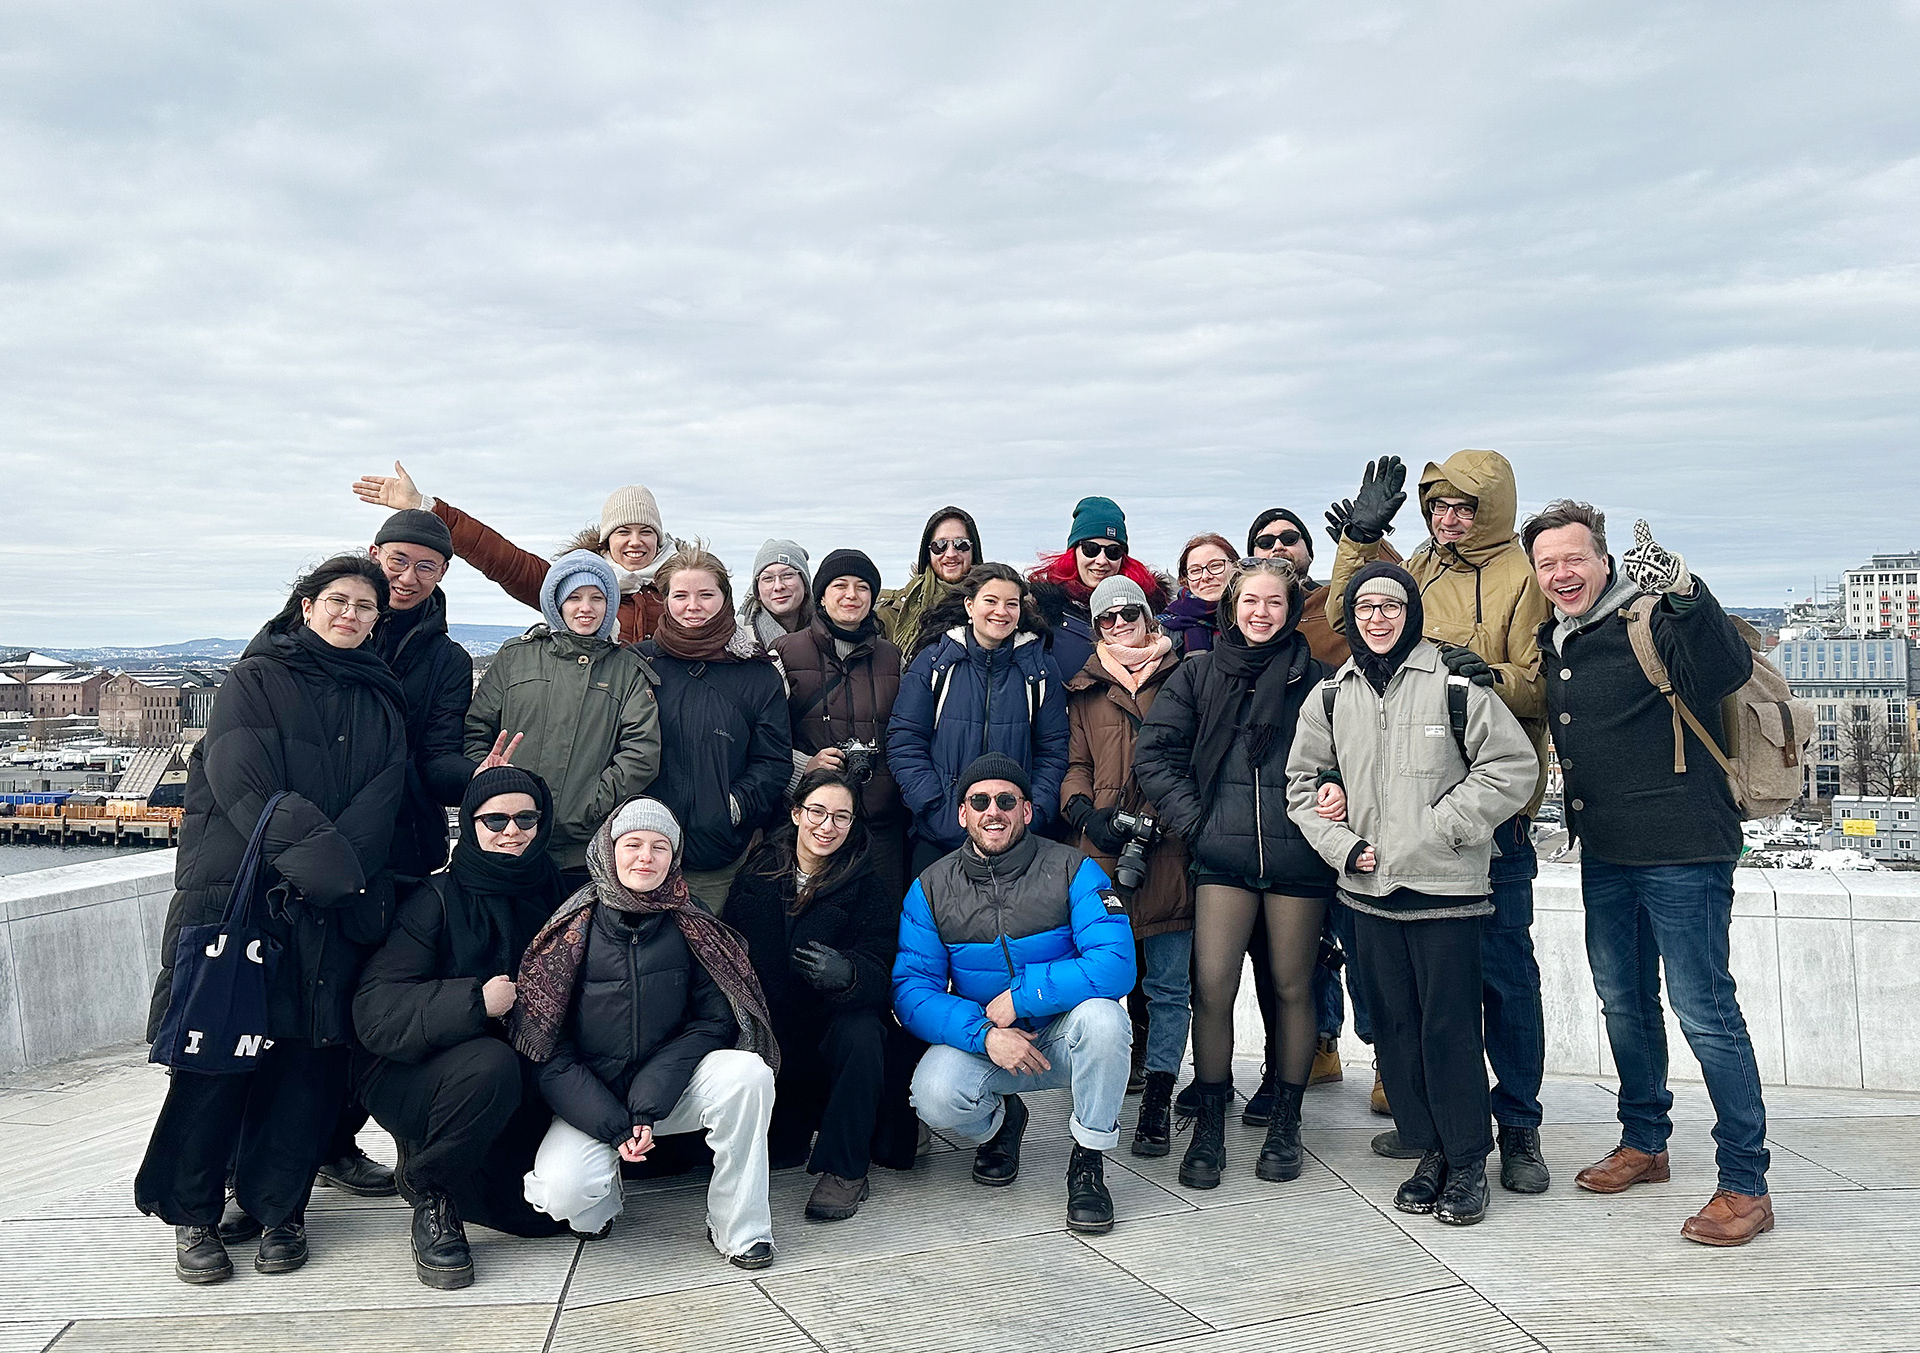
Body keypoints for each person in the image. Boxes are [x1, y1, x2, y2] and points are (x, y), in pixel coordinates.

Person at [136, 555, 407, 1285]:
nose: (350, 614)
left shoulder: (381, 702)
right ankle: (195, 1213)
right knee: (215, 1062)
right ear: (306, 605)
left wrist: (335, 878)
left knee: (303, 1066)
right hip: (241, 898)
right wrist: (329, 874)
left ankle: (278, 1208)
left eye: (365, 606)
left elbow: (381, 803)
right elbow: (244, 781)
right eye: (337, 600)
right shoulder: (252, 679)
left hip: (323, 912)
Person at [1525, 503, 1775, 1246]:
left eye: (1574, 558)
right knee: (1624, 1002)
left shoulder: (1650, 618)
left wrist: (1687, 592)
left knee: (1705, 1011)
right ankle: (1645, 1140)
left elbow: (1723, 665)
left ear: (1603, 560)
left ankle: (1746, 1183)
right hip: (1605, 850)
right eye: (1547, 564)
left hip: (1684, 846)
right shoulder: (1559, 637)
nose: (1561, 574)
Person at [1325, 453, 1552, 1192]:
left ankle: (1517, 1125)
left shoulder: (1523, 575)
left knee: (1503, 977)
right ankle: (1436, 1130)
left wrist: (1493, 675)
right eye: (1438, 506)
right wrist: (1359, 542)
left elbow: (1543, 680)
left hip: (1490, 821)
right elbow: (1351, 619)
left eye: (1463, 508)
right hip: (1401, 824)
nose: (1448, 520)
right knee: (1418, 993)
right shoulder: (1418, 562)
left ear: (1491, 510)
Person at [1287, 563, 1537, 1227]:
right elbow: (1303, 786)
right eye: (1365, 606)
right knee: (1394, 1032)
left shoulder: (1455, 685)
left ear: (1411, 613)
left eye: (1390, 605)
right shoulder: (1333, 696)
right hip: (1366, 891)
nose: (1377, 617)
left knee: (1448, 1029)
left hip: (1445, 889)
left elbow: (1513, 767)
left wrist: (1443, 827)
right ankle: (1430, 1149)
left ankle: (1467, 1158)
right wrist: (1341, 846)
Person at [1134, 557, 1334, 1191]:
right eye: (1251, 601)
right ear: (1231, 606)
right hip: (1221, 860)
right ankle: (1213, 1122)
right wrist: (1197, 822)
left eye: (1275, 602)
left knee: (1293, 987)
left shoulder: (1319, 680)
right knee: (1213, 987)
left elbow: (1353, 755)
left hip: (1298, 856)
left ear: (1292, 608)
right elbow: (1155, 754)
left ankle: (1286, 1122)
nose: (1262, 613)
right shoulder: (1198, 674)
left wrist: (1335, 797)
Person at [515, 799, 780, 1268]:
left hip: (669, 1088)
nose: (645, 857)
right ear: (608, 850)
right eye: (632, 844)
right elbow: (547, 1049)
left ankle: (740, 1229)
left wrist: (652, 1091)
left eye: (660, 847)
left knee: (749, 1075)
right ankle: (603, 1200)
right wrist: (615, 1124)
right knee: (564, 1195)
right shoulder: (573, 927)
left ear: (674, 857)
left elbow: (716, 1020)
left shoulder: (691, 919)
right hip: (595, 1096)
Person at [309, 508, 480, 1203]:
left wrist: (477, 774)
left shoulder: (447, 660)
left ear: (444, 574)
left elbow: (438, 759)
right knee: (315, 1004)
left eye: (426, 566)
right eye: (397, 560)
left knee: (378, 1001)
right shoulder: (337, 625)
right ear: (373, 554)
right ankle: (305, 1144)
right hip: (325, 845)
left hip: (401, 848)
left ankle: (357, 1135)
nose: (407, 578)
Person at [351, 767, 572, 1289]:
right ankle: (431, 1192)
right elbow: (376, 1009)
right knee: (489, 1064)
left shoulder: (560, 894)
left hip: (524, 1077)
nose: (511, 830)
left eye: (525, 818)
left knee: (547, 1216)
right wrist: (476, 1001)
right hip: (420, 1072)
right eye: (493, 819)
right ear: (469, 825)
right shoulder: (437, 899)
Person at [895, 754, 1135, 1234]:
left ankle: (1088, 1159)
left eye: (1007, 800)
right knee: (933, 1095)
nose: (993, 811)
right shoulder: (931, 887)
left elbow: (1116, 964)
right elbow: (911, 991)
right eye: (979, 801)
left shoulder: (1074, 868)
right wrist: (983, 1034)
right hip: (995, 1045)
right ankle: (1004, 1122)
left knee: (1106, 1021)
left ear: (1026, 810)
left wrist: (1023, 997)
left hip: (1063, 1036)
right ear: (962, 813)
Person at [725, 770, 899, 1221]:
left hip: (831, 1029)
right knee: (774, 1148)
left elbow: (884, 970)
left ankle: (845, 1169)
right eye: (818, 812)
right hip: (774, 1031)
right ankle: (790, 1127)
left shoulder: (869, 886)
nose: (827, 826)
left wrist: (851, 974)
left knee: (862, 1033)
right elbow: (728, 954)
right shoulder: (757, 873)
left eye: (841, 817)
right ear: (797, 812)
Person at [1059, 576, 1193, 1159]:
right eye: (1106, 619)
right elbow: (1073, 763)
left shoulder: (1184, 677)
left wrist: (1177, 814)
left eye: (1128, 614)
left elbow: (1199, 755)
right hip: (1105, 852)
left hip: (1171, 850)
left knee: (1168, 986)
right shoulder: (1085, 690)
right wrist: (1087, 815)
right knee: (1104, 985)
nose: (1119, 625)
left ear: (1148, 616)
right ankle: (1104, 1096)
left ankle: (1159, 1096)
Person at [465, 550, 661, 892]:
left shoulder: (625, 670)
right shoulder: (516, 657)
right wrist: (493, 794)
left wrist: (589, 805)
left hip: (580, 850)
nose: (585, 608)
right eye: (574, 597)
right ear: (556, 602)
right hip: (508, 838)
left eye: (596, 598)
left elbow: (641, 753)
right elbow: (476, 730)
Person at [351, 462, 682, 644]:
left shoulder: (683, 591)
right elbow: (502, 558)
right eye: (623, 532)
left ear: (659, 538)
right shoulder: (570, 585)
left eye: (646, 532)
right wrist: (429, 509)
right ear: (607, 540)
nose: (635, 542)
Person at [638, 546, 793, 912]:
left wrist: (732, 807)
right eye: (681, 595)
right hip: (643, 850)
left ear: (725, 599)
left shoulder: (757, 672)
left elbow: (773, 761)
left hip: (719, 854)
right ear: (665, 600)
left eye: (706, 594)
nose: (693, 606)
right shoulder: (639, 663)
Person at [887, 563, 1070, 874]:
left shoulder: (1038, 668)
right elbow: (905, 742)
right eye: (991, 601)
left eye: (1011, 603)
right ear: (970, 605)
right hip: (940, 836)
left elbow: (1053, 751)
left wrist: (1032, 813)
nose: (1001, 611)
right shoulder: (935, 662)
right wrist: (936, 807)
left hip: (1016, 838)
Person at [770, 548, 910, 900]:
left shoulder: (892, 657)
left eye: (863, 587)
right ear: (821, 595)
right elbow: (760, 737)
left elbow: (909, 734)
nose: (852, 595)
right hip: (812, 825)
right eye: (840, 585)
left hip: (880, 823)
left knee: (878, 931)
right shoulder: (785, 652)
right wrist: (805, 766)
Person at [1027, 496, 1169, 685]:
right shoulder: (1043, 613)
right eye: (1090, 549)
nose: (1102, 561)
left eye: (1113, 552)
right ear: (1073, 552)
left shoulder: (1149, 610)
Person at [875, 506, 983, 656]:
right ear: (927, 553)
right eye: (939, 546)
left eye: (961, 544)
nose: (951, 554)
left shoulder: (994, 610)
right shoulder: (893, 612)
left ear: (974, 550)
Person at [1160, 533, 1236, 657]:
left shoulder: (1256, 617)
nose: (1206, 576)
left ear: (1235, 566)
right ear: (1186, 579)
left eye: (1216, 565)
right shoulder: (1165, 629)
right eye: (1195, 570)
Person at [739, 539, 813, 651]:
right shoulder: (737, 637)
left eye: (788, 575)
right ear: (757, 591)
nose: (778, 586)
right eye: (768, 578)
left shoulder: (830, 632)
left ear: (805, 583)